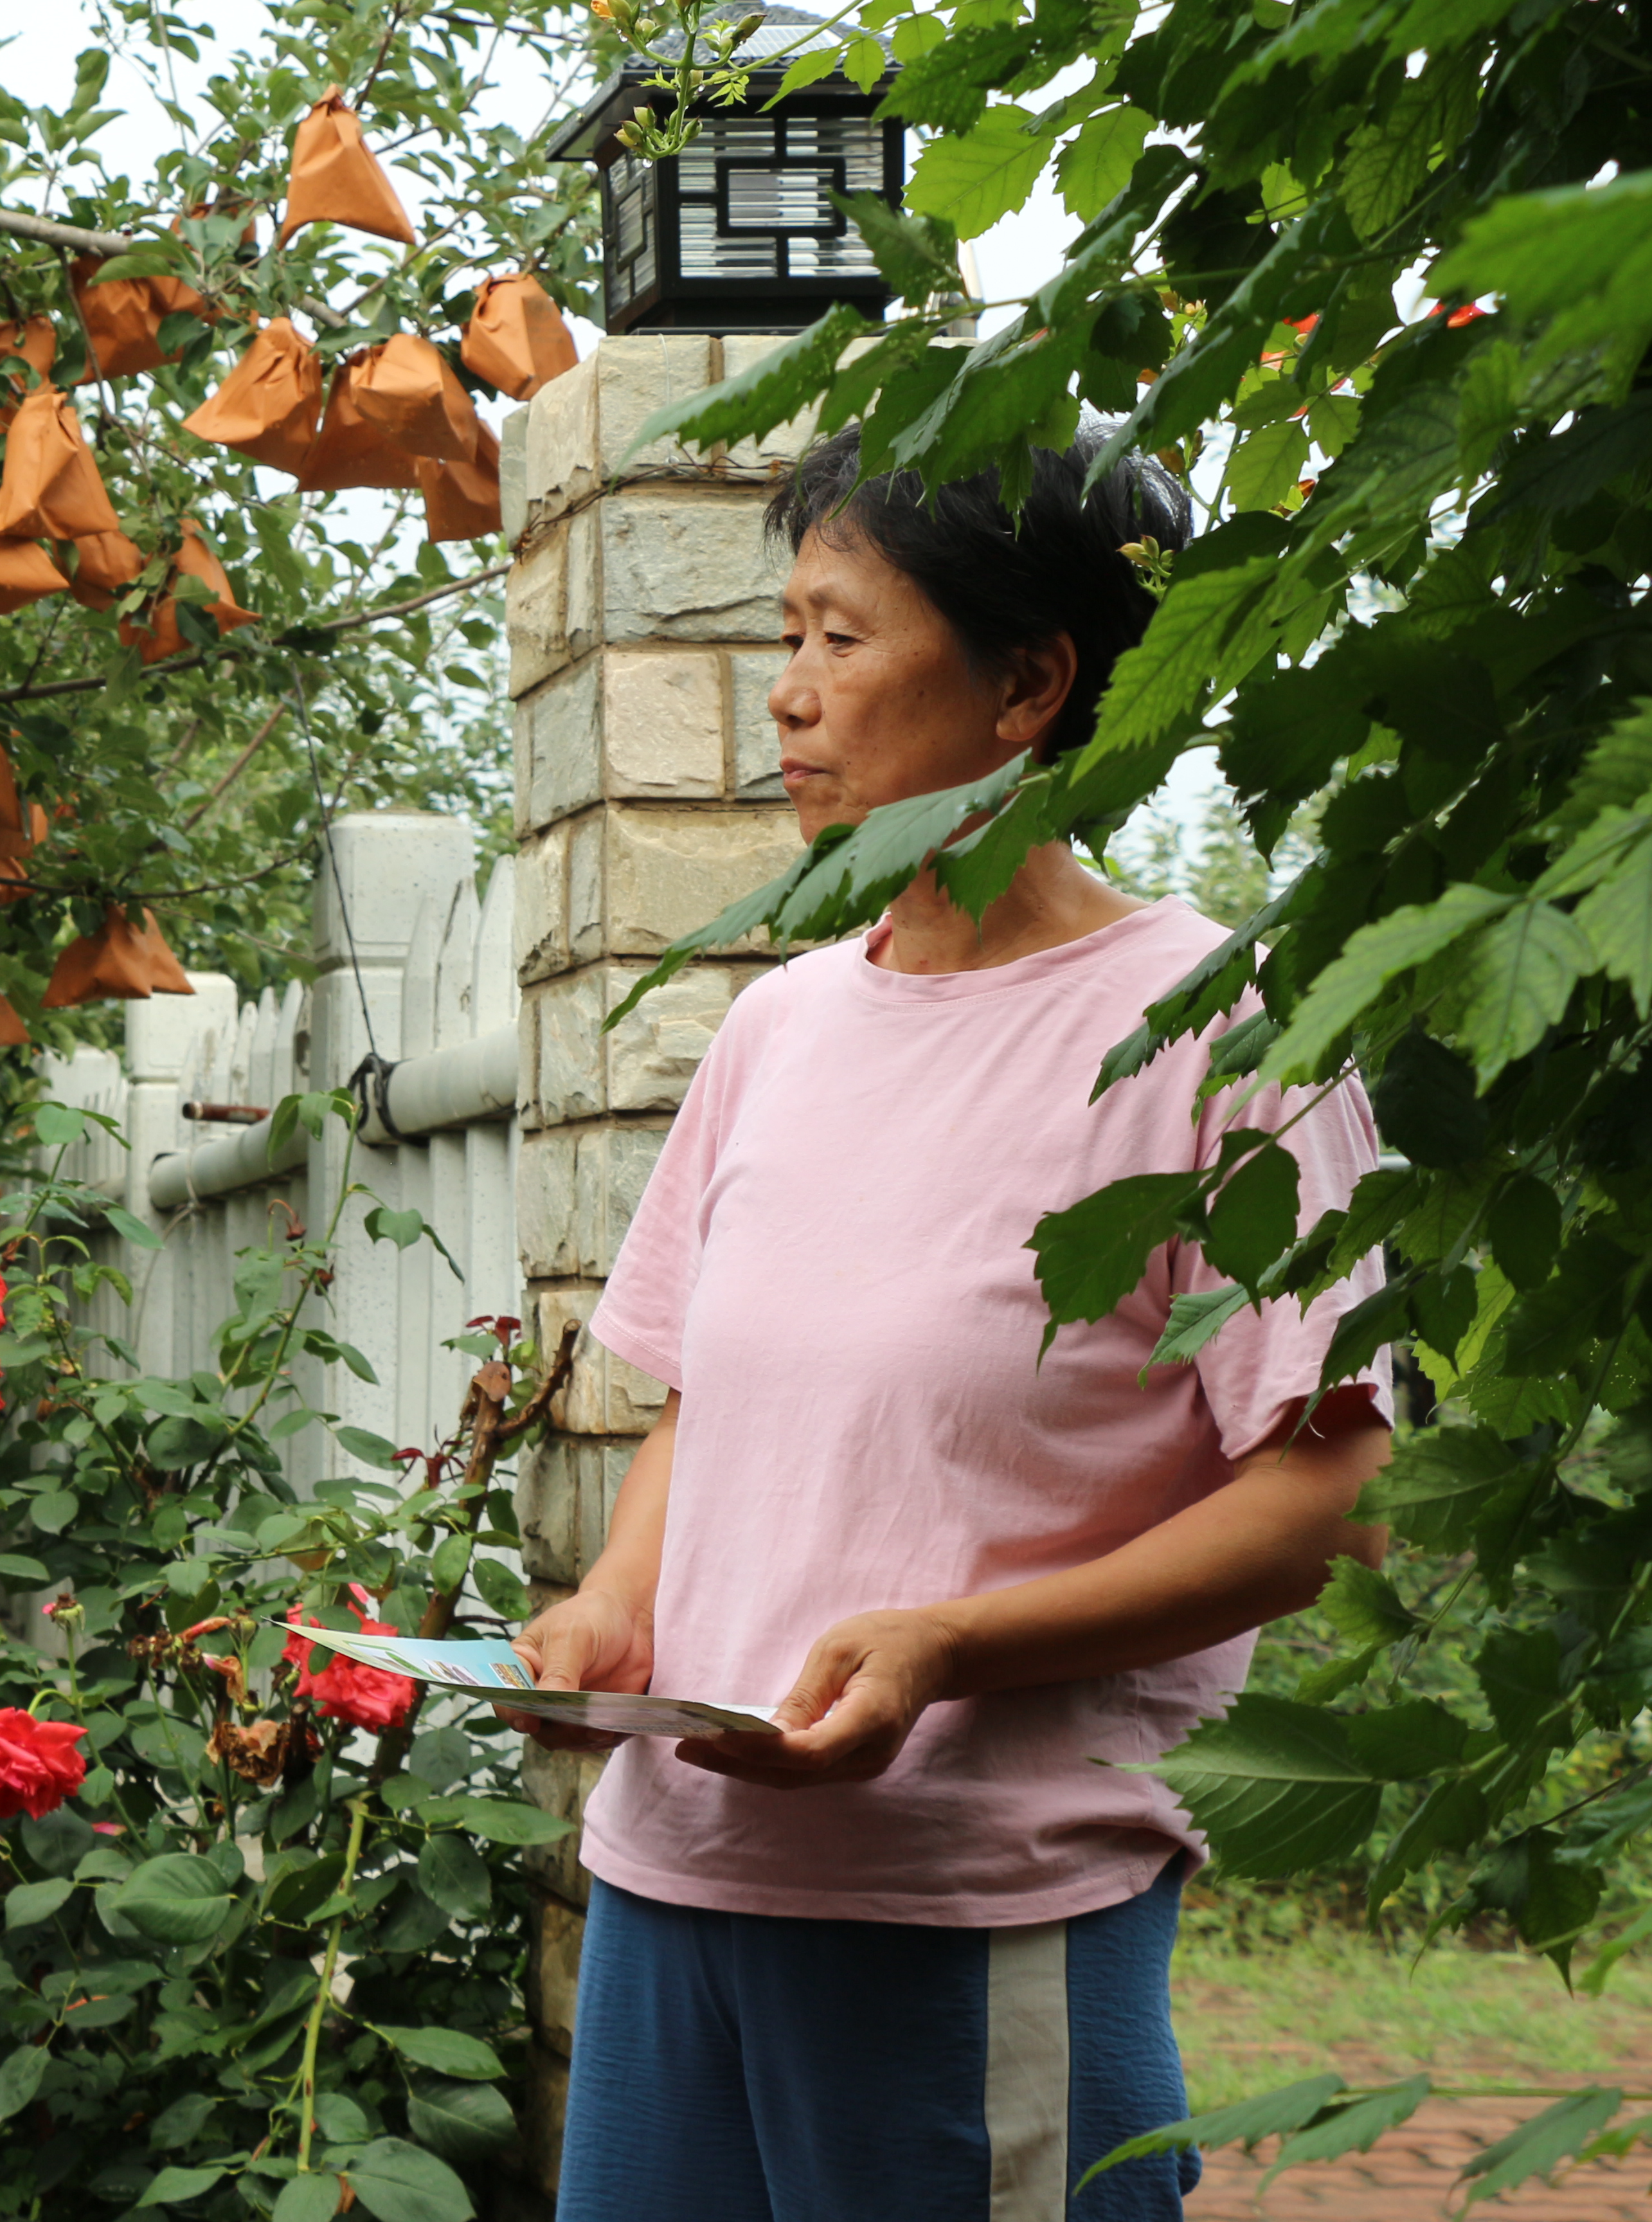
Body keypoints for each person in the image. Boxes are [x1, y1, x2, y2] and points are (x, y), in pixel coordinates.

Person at [511, 425, 1396, 2222]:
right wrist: (615, 1605)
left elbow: (1319, 1506)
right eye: (787, 638)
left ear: (1030, 683)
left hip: (971, 1910)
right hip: (678, 1884)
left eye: (842, 639)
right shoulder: (784, 1027)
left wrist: (946, 1646)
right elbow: (711, 1405)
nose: (787, 699)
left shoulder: (1222, 1034)